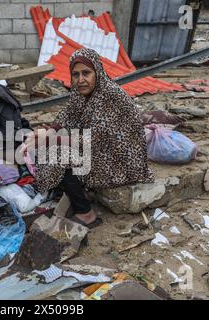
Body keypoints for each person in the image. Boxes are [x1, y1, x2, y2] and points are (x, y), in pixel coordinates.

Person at [22, 48, 154, 228]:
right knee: (50, 145)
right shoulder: (81, 94)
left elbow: (91, 140)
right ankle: (74, 192)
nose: (80, 80)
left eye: (86, 73)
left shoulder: (109, 95)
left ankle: (86, 213)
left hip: (121, 160)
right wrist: (48, 131)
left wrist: (50, 139)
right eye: (75, 75)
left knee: (59, 154)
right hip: (100, 148)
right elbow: (66, 117)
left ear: (97, 72)